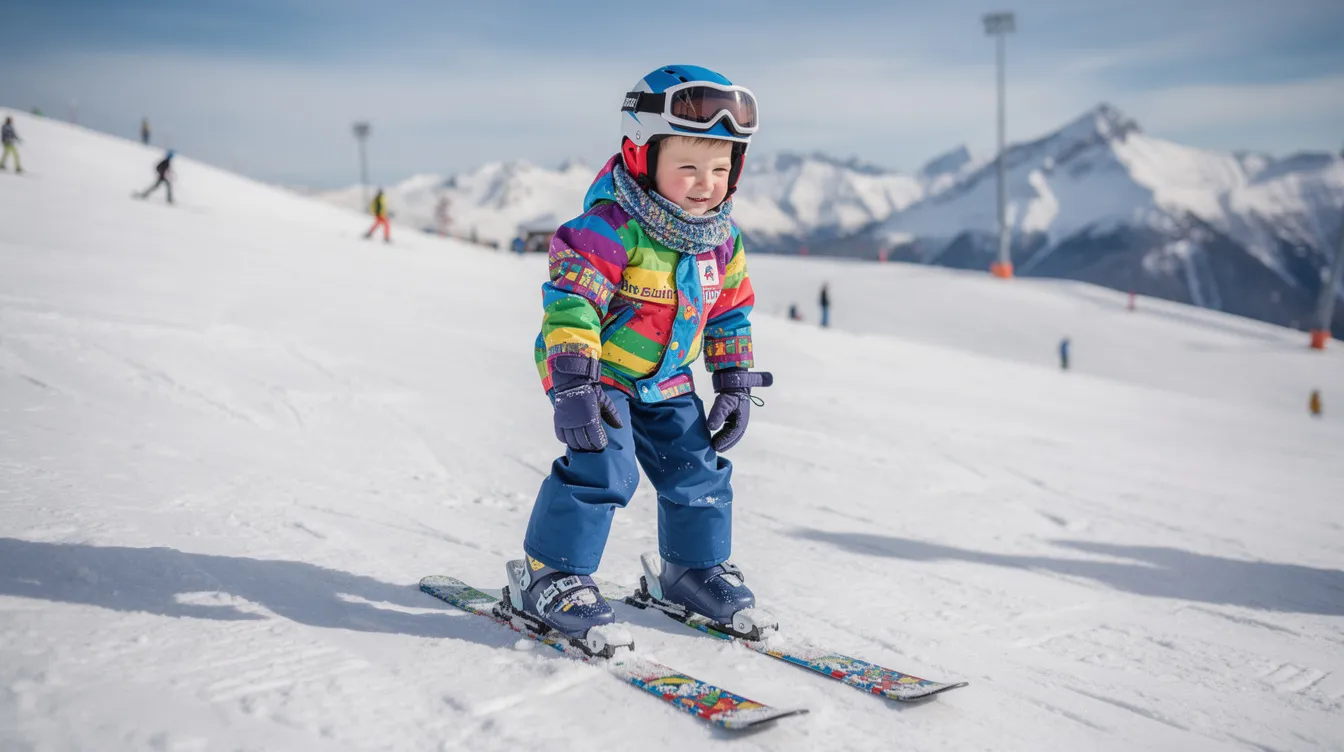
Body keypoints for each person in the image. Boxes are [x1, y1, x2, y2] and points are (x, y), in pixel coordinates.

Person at [508, 65, 771, 653]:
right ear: (639, 154)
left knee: (697, 471)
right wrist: (574, 381)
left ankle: (690, 571)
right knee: (603, 468)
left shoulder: (721, 240)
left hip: (670, 382)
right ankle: (549, 573)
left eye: (721, 168)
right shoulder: (607, 230)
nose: (706, 184)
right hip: (602, 379)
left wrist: (731, 377)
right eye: (688, 167)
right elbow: (571, 304)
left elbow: (730, 312)